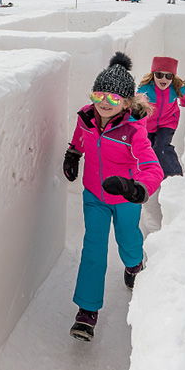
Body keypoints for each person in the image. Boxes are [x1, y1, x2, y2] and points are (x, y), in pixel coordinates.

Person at [62, 52, 164, 342]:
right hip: (94, 194)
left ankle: (134, 264)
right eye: (99, 94)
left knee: (128, 240)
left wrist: (137, 188)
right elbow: (81, 135)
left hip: (125, 197)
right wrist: (73, 153)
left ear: (127, 102)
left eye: (114, 98)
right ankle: (86, 311)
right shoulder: (87, 116)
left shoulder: (133, 131)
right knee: (93, 249)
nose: (104, 102)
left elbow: (151, 166)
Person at [137, 56, 185, 177]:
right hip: (148, 124)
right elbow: (137, 103)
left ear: (173, 77)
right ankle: (153, 173)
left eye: (168, 76)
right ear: (153, 75)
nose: (164, 79)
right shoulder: (146, 89)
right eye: (159, 75)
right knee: (149, 149)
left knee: (161, 147)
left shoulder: (178, 88)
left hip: (168, 122)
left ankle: (174, 175)